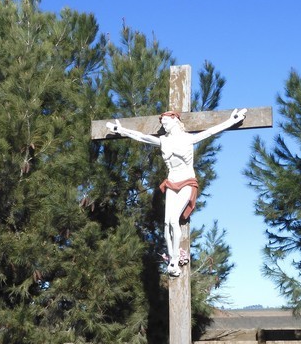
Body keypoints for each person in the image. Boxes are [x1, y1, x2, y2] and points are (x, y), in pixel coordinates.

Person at [106, 108, 247, 276]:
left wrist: (231, 121)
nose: (164, 125)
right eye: (162, 123)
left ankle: (174, 260)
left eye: (166, 122)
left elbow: (210, 131)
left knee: (174, 220)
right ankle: (172, 258)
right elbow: (142, 137)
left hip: (187, 181)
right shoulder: (163, 141)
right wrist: (121, 130)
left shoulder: (188, 138)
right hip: (172, 182)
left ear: (175, 121)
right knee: (167, 223)